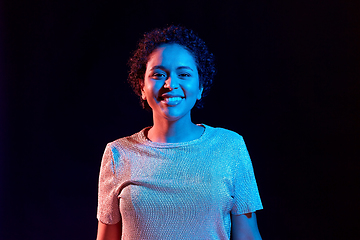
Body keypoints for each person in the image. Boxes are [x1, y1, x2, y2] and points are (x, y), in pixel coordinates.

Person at [96, 25, 263, 240]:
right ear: (141, 87)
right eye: (158, 74)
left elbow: (248, 236)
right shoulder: (118, 153)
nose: (171, 84)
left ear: (200, 86)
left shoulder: (230, 146)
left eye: (184, 74)